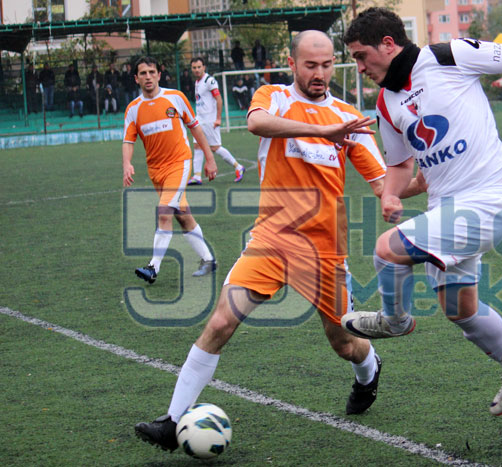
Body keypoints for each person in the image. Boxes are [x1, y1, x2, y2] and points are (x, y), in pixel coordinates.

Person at [133, 30, 425, 452]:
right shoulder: (273, 97)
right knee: (221, 322)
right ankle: (172, 420)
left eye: (327, 65)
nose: (320, 73)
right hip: (270, 241)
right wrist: (323, 131)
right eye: (310, 65)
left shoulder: (349, 118)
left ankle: (369, 371)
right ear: (292, 64)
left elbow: (384, 184)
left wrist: (414, 186)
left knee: (344, 342)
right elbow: (256, 123)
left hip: (324, 250)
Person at [341, 7, 502, 416]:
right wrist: (390, 195)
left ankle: (393, 321)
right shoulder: (387, 101)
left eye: (361, 56)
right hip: (445, 209)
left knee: (387, 250)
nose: (360, 67)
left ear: (387, 44)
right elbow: (400, 166)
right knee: (460, 310)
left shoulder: (447, 55)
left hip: (485, 202)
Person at [122, 56, 219, 284]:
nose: (148, 77)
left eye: (152, 72)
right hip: (156, 171)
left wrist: (210, 158)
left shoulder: (175, 97)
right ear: (136, 78)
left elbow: (195, 128)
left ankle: (152, 267)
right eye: (143, 73)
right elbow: (128, 140)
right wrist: (127, 163)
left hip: (179, 163)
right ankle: (208, 260)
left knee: (164, 212)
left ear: (159, 75)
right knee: (182, 216)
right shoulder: (133, 109)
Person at [187, 57, 245, 186]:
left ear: (204, 67)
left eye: (199, 67)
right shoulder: (197, 82)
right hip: (200, 119)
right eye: (194, 67)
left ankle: (238, 167)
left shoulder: (209, 80)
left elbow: (219, 99)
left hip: (209, 120)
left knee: (215, 147)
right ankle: (197, 176)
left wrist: (218, 118)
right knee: (197, 145)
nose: (196, 70)